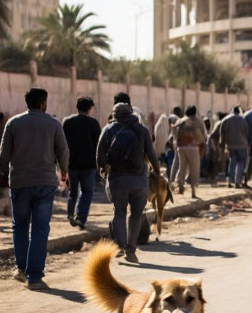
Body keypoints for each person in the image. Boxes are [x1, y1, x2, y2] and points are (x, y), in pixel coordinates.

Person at [0, 88, 69, 289]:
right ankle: (34, 277)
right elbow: (63, 152)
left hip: (19, 182)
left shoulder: (13, 123)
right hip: (45, 183)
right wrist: (64, 173)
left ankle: (21, 268)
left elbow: (4, 153)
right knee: (40, 228)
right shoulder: (53, 124)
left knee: (19, 225)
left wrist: (3, 176)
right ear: (43, 102)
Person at [97, 102, 157, 263]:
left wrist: (102, 169)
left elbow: (100, 152)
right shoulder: (142, 129)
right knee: (136, 214)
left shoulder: (109, 129)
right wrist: (157, 171)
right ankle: (131, 249)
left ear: (114, 114)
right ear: (130, 113)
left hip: (117, 179)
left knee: (119, 212)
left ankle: (121, 245)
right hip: (139, 180)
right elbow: (151, 152)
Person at [62, 96, 101, 227]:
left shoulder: (67, 122)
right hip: (89, 165)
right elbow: (98, 146)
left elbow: (63, 144)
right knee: (87, 192)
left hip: (72, 164)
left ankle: (70, 213)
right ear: (89, 109)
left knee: (73, 192)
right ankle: (80, 217)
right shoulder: (94, 124)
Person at [172, 105, 207, 198]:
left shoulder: (180, 121)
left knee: (182, 168)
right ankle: (193, 191)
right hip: (193, 148)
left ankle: (180, 186)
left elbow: (174, 134)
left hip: (181, 148)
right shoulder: (198, 121)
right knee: (194, 169)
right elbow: (203, 137)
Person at [219, 106, 250, 188]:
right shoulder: (243, 119)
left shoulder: (227, 119)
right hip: (242, 145)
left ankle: (230, 181)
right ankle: (237, 181)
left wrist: (222, 142)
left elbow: (221, 130)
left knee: (232, 162)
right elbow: (247, 132)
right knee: (241, 162)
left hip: (230, 145)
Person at [153, 107, 178, 177]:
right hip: (168, 150)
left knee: (164, 164)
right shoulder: (167, 128)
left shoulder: (157, 127)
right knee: (169, 164)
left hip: (161, 151)